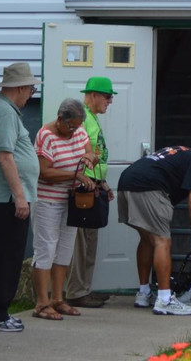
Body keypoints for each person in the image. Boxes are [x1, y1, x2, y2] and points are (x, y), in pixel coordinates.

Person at [118, 146, 191, 315]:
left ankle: (144, 294)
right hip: (149, 186)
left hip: (126, 182)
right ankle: (165, 299)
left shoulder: (186, 156)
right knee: (162, 240)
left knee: (147, 240)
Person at [0, 62, 42, 332]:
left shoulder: (1, 109)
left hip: (5, 197)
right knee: (6, 257)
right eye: (31, 89)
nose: (31, 94)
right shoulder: (4, 112)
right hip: (8, 199)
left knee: (2, 256)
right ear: (20, 87)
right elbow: (4, 157)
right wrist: (19, 196)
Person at [31, 98, 96, 321]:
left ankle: (58, 299)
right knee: (46, 249)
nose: (74, 131)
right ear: (60, 119)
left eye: (77, 126)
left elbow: (90, 153)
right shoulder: (45, 136)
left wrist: (90, 158)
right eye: (71, 126)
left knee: (64, 250)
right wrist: (75, 175)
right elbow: (44, 172)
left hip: (71, 201)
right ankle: (42, 303)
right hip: (47, 201)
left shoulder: (79, 130)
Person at [65, 76, 117, 309]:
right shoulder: (81, 118)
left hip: (94, 185)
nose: (110, 101)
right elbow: (73, 152)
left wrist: (101, 182)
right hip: (82, 187)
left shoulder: (92, 118)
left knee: (90, 240)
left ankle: (84, 289)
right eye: (107, 96)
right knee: (80, 243)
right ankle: (76, 291)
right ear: (94, 95)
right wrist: (83, 178)